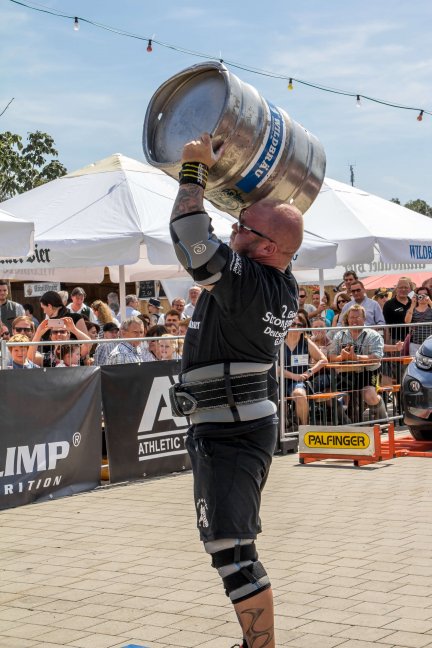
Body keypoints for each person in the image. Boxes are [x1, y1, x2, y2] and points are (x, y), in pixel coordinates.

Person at [168, 132, 300, 648]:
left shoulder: (249, 283)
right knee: (232, 546)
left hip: (231, 433)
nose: (232, 229)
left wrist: (195, 169)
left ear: (268, 248)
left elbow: (191, 236)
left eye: (243, 228)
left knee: (232, 553)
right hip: (232, 428)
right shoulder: (277, 280)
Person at [328, 304, 386, 421]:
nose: (354, 320)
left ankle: (383, 419)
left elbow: (377, 357)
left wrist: (356, 357)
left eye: (358, 317)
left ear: (364, 319)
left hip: (369, 372)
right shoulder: (340, 335)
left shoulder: (373, 335)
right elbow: (331, 356)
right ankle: (347, 422)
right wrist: (341, 357)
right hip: (345, 374)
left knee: (369, 396)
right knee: (329, 396)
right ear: (347, 319)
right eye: (352, 317)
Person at [283, 313, 327, 426]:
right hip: (278, 381)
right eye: (293, 324)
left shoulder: (306, 342)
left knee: (300, 394)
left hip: (298, 382)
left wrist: (309, 372)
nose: (296, 327)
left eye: (300, 325)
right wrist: (294, 376)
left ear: (304, 328)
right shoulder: (279, 341)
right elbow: (274, 366)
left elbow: (323, 360)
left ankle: (304, 427)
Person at [404, 286, 432, 355]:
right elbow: (407, 321)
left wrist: (430, 302)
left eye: (425, 295)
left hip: (429, 343)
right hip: (415, 343)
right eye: (419, 295)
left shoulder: (430, 309)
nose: (422, 297)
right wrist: (412, 305)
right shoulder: (412, 309)